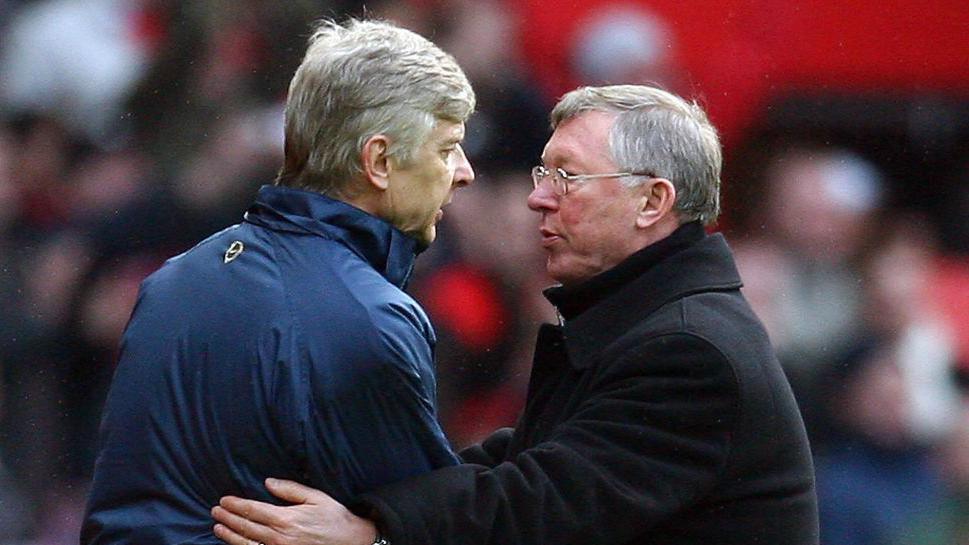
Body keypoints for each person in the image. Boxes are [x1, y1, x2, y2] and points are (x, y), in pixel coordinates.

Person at [211, 85, 819, 545]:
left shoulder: (690, 349)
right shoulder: (661, 320)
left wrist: (369, 532)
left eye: (568, 177)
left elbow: (542, 504)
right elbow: (530, 458)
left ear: (652, 201)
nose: (538, 196)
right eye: (543, 172)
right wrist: (362, 500)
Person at [81, 18, 475, 544]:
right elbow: (437, 526)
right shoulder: (372, 319)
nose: (465, 171)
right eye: (448, 148)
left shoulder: (172, 282)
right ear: (379, 161)